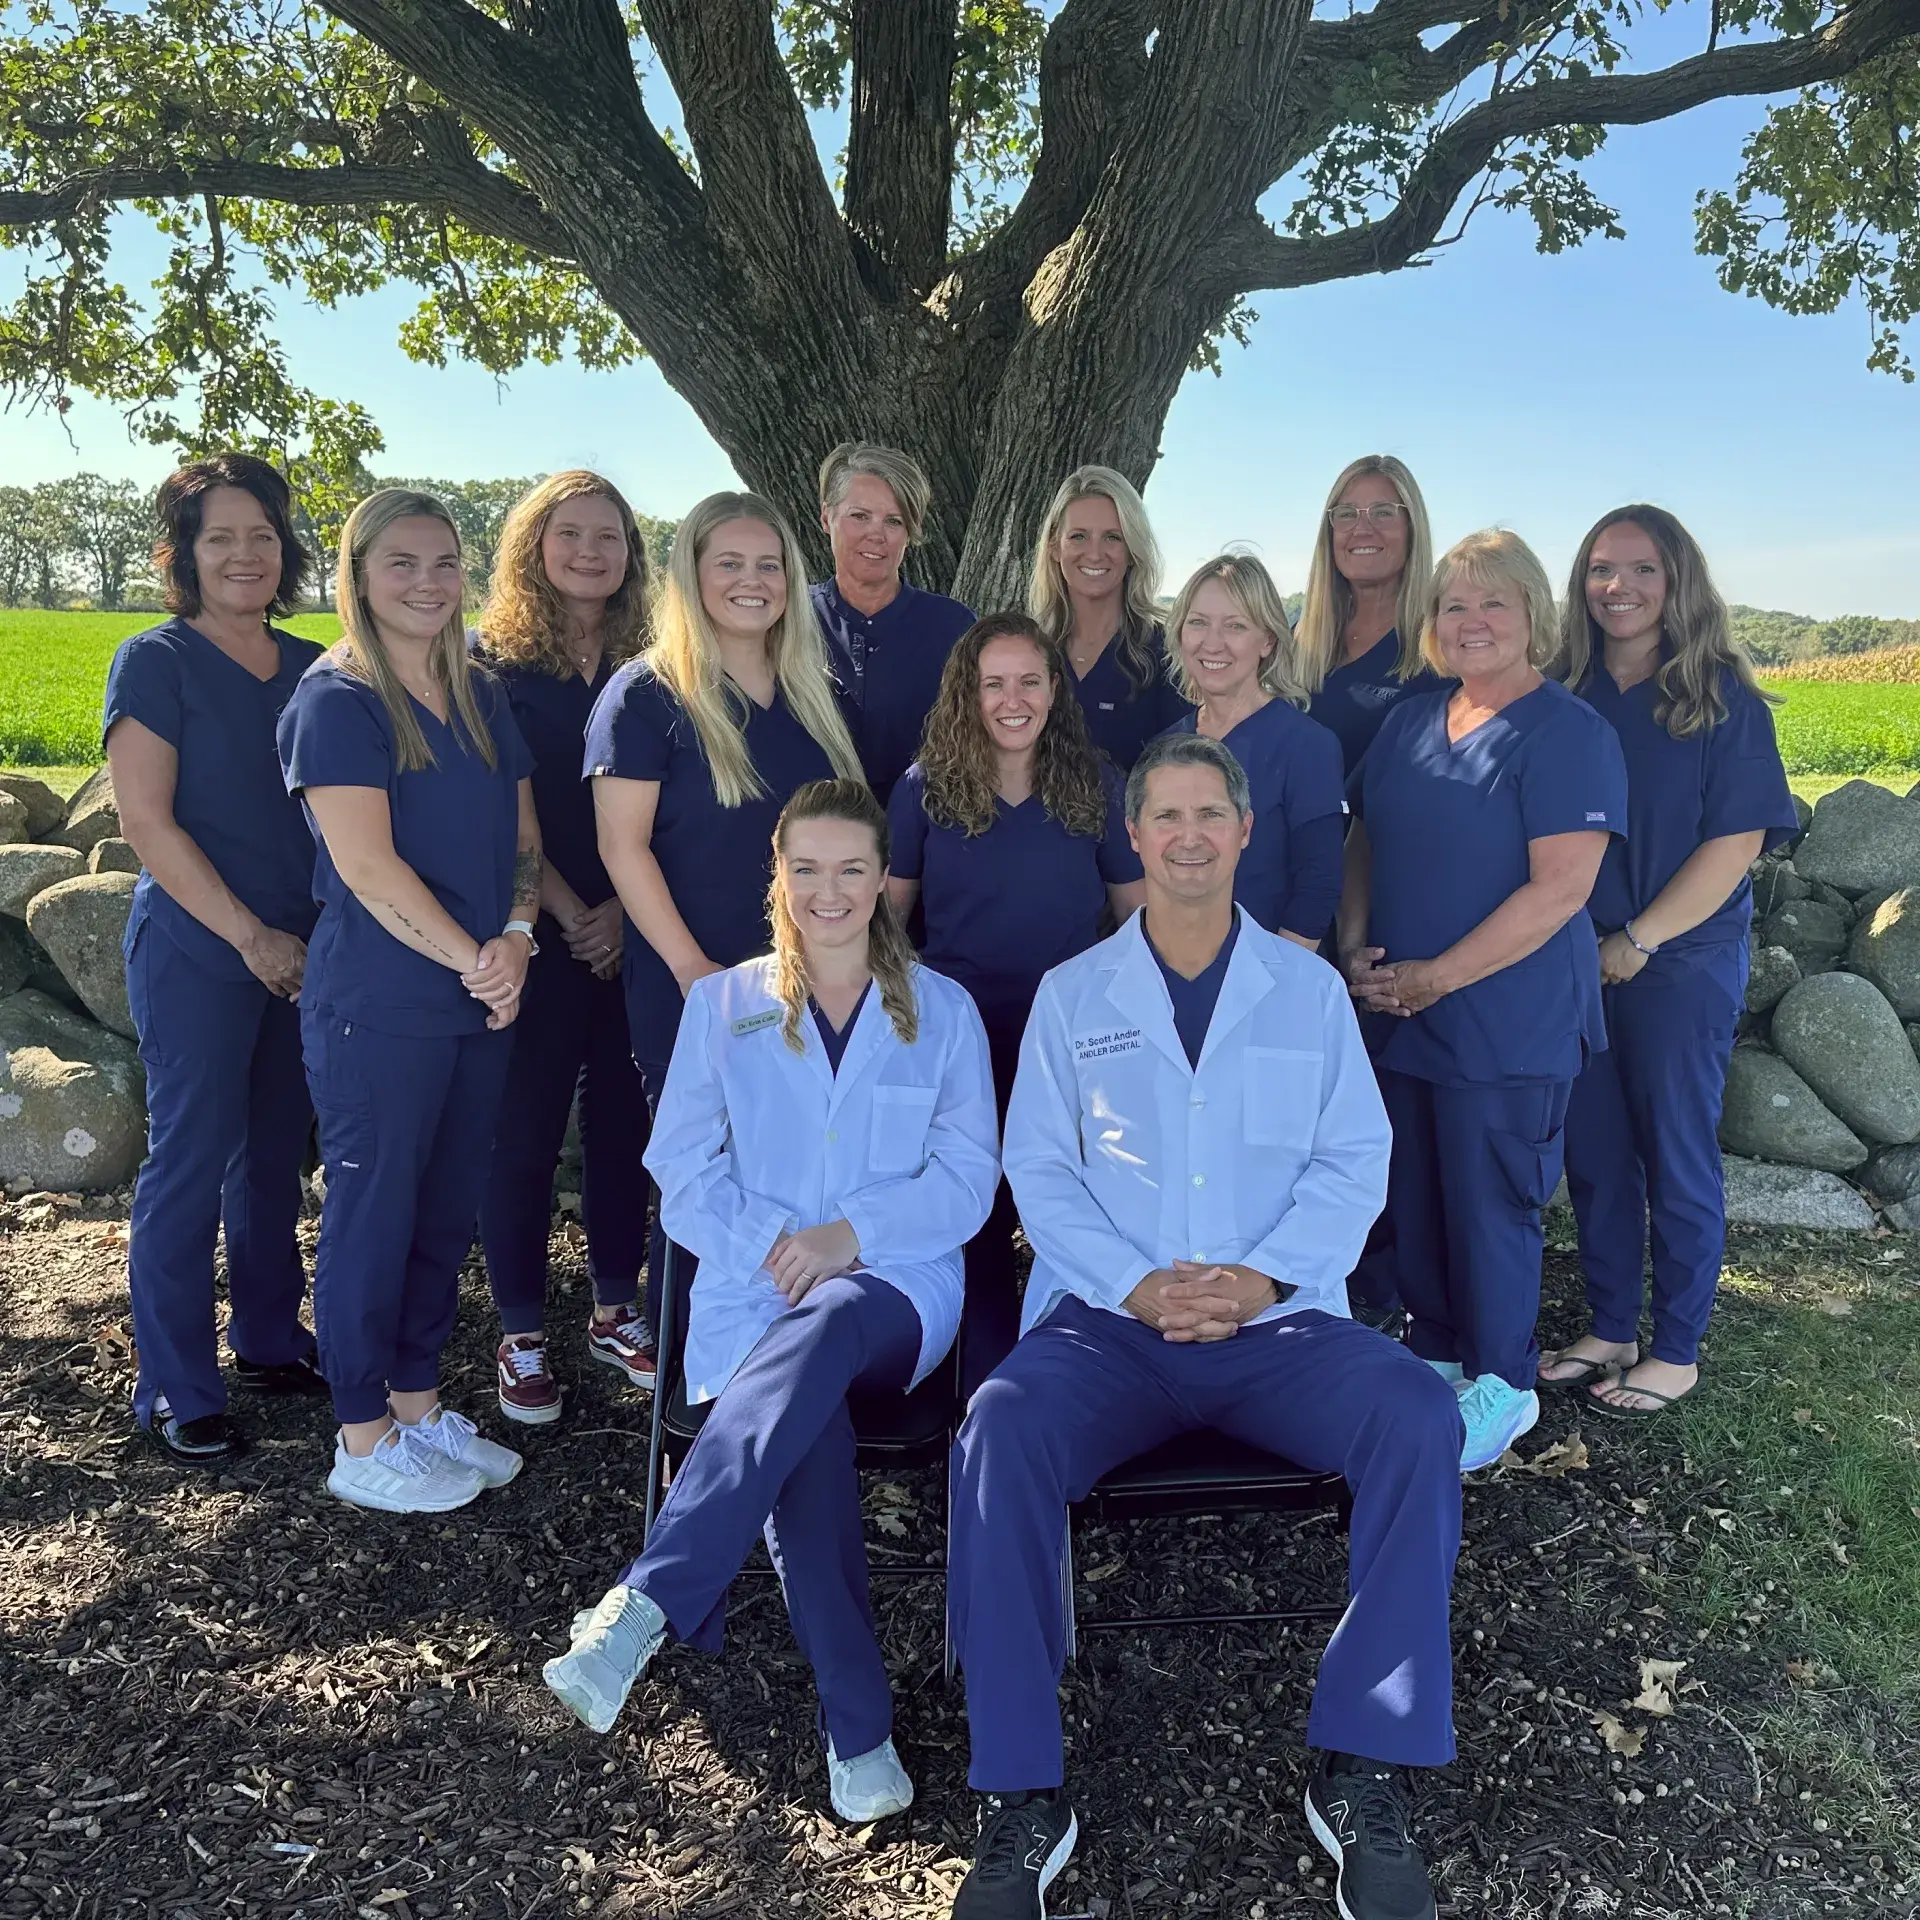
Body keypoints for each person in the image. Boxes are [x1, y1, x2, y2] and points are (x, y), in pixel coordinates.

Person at [948, 732, 1462, 1920]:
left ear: (1241, 833)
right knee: (999, 1430)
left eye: (1207, 816)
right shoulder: (1078, 995)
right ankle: (1023, 1793)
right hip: (1108, 1330)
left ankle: (1362, 1763)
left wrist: (1266, 1280)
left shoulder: (1310, 992)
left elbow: (1355, 1158)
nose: (1186, 835)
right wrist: (1134, 1287)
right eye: (1163, 816)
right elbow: (1041, 1167)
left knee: (1418, 1413)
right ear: (1133, 837)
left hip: (1277, 1330)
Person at [542, 781, 999, 1827]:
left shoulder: (944, 1011)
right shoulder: (723, 1006)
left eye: (852, 870)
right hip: (756, 1298)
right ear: (778, 880)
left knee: (832, 1322)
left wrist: (851, 1240)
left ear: (884, 881)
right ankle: (860, 1730)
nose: (829, 892)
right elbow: (683, 1167)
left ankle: (650, 1597)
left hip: (894, 1298)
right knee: (806, 1439)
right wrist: (774, 1249)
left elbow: (970, 1178)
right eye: (808, 870)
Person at [1338, 529, 1628, 1473]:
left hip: (1507, 1020)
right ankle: (1435, 1356)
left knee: (1490, 1204)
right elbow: (1364, 840)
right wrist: (1355, 946)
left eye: (1494, 603)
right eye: (1454, 605)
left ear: (1535, 617)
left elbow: (1560, 892)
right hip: (1403, 1013)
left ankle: (1504, 1388)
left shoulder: (1569, 735)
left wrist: (1435, 979)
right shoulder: (1412, 722)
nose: (1472, 622)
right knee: (1417, 1194)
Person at [279, 488, 539, 1513]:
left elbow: (524, 837)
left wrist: (517, 937)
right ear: (358, 574)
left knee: (442, 1212)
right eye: (402, 564)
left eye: (444, 564)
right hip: (380, 1006)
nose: (428, 583)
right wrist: (478, 959)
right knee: (374, 1214)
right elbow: (371, 870)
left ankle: (420, 1407)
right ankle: (362, 1435)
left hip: (479, 996)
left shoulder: (478, 689)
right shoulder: (335, 702)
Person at [586, 493, 865, 1341]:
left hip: (813, 988)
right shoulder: (647, 698)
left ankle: (793, 1366)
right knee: (703, 1187)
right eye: (730, 564)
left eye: (769, 564)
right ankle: (689, 1393)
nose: (753, 581)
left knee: (794, 1173)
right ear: (692, 575)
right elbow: (621, 848)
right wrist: (693, 975)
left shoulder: (817, 694)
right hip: (698, 985)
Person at [1545, 506, 1797, 1416]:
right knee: (1597, 1150)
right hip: (1579, 957)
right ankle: (1612, 1325)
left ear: (1677, 580)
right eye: (1602, 569)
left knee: (1677, 1152)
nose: (1619, 587)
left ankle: (1678, 1347)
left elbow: (1735, 843)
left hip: (1679, 958)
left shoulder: (1718, 695)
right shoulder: (1564, 688)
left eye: (1642, 569)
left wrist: (1640, 938)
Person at [106, 454, 328, 1466]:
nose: (245, 554)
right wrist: (250, 937)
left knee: (274, 1158)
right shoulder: (156, 661)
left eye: (263, 536)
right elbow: (146, 821)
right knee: (190, 1163)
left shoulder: (318, 665)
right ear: (183, 557)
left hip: (304, 952)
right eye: (219, 538)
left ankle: (272, 1340)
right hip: (202, 948)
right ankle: (179, 1386)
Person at [886, 614, 1145, 1390]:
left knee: (1074, 1207)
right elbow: (888, 927)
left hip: (1072, 1042)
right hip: (960, 1039)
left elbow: (1137, 920)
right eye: (993, 682)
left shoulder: (1095, 784)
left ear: (1054, 689)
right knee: (979, 1214)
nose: (1012, 699)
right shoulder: (925, 788)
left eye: (1029, 680)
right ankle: (980, 1388)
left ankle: (1076, 1376)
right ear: (968, 692)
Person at [474, 473, 659, 1424]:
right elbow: (499, 812)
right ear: (532, 547)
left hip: (634, 933)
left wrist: (623, 914)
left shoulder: (659, 664)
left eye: (611, 537)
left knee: (625, 1127)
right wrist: (565, 910)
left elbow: (671, 807)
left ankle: (614, 1309)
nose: (592, 552)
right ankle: (519, 1330)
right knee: (526, 1131)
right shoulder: (490, 665)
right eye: (571, 534)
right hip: (533, 937)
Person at [1162, 552, 1347, 946]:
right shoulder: (1166, 748)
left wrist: (1276, 985)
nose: (1213, 643)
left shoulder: (1307, 745)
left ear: (1267, 641)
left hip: (1273, 975)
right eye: (1198, 623)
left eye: (1235, 626)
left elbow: (1318, 885)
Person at [810, 441, 975, 805]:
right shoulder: (790, 620)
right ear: (826, 517)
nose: (877, 535)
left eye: (894, 521)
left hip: (927, 839)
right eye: (859, 516)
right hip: (811, 845)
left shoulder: (954, 628)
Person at [1028, 465, 1190, 770]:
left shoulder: (1168, 653)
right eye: (1078, 536)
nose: (1095, 553)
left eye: (1113, 537)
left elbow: (1183, 774)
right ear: (1054, 546)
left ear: (1132, 549)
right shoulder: (1028, 649)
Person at [1296, 455, 1444, 776]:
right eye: (1347, 514)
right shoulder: (1298, 641)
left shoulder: (1440, 648)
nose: (1362, 530)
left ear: (1412, 528)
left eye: (1382, 513)